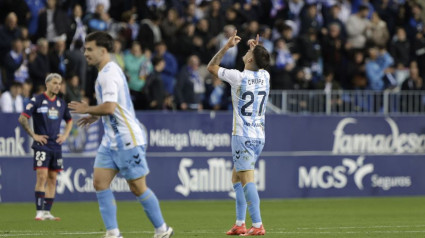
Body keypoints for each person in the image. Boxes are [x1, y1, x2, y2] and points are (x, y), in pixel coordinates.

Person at [68, 31, 173, 238]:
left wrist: (88, 109)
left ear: (103, 50)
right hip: (110, 139)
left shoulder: (109, 74)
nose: (85, 53)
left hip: (127, 139)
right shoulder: (106, 71)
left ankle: (162, 230)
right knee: (99, 182)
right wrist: (95, 117)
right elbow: (112, 109)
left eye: (89, 49)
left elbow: (108, 107)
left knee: (137, 187)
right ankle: (113, 233)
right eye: (85, 49)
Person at [207, 31, 269, 236]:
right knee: (237, 178)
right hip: (259, 136)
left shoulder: (238, 77)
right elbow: (258, 64)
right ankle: (240, 223)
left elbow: (211, 67)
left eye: (248, 52)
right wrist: (256, 50)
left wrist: (226, 47)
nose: (245, 51)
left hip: (242, 136)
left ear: (250, 58)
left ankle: (258, 225)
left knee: (247, 180)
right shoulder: (265, 76)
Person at [18, 73, 73, 221]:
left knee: (53, 178)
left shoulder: (61, 103)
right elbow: (22, 118)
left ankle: (47, 212)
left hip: (56, 146)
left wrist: (65, 136)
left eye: (59, 83)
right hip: (42, 146)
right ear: (47, 84)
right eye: (55, 83)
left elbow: (70, 121)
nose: (57, 86)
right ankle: (39, 211)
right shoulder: (37, 100)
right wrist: (34, 135)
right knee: (41, 176)